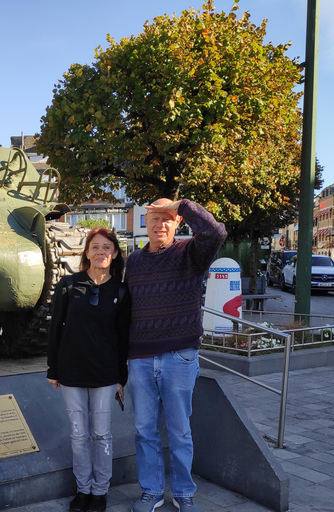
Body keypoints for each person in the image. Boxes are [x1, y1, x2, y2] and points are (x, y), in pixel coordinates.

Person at [125, 198, 226, 512]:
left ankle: (183, 493)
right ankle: (152, 492)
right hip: (140, 359)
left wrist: (182, 204)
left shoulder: (191, 254)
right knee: (144, 430)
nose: (160, 225)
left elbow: (216, 233)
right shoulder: (133, 262)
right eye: (155, 218)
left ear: (178, 222)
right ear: (146, 221)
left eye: (167, 219)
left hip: (179, 357)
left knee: (180, 431)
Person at [47, 228, 131, 512]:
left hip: (105, 375)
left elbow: (122, 337)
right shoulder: (69, 285)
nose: (101, 253)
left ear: (115, 253)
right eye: (95, 247)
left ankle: (100, 491)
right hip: (71, 372)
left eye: (107, 248)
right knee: (79, 434)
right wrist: (53, 368)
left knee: (102, 435)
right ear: (86, 252)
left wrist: (122, 378)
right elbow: (55, 328)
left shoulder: (120, 291)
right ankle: (83, 489)